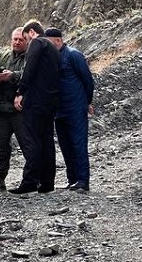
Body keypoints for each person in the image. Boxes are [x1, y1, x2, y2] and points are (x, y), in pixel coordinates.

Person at [10, 20, 62, 194]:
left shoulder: (37, 43)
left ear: (31, 32)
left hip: (36, 101)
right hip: (51, 100)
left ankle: (30, 181)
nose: (25, 42)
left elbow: (29, 69)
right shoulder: (53, 48)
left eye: (25, 38)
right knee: (47, 141)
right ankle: (47, 182)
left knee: (32, 140)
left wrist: (20, 92)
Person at [49, 29, 95, 192]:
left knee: (78, 144)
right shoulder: (52, 58)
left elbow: (88, 81)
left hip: (75, 108)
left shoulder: (74, 55)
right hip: (59, 110)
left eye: (49, 42)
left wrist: (86, 102)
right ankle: (72, 179)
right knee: (65, 146)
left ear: (57, 41)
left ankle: (83, 180)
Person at [0, 26, 29, 191]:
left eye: (20, 40)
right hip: (0, 109)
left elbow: (30, 75)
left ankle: (33, 178)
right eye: (15, 39)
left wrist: (13, 76)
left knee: (27, 144)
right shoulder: (2, 56)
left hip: (20, 110)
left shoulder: (30, 57)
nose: (17, 42)